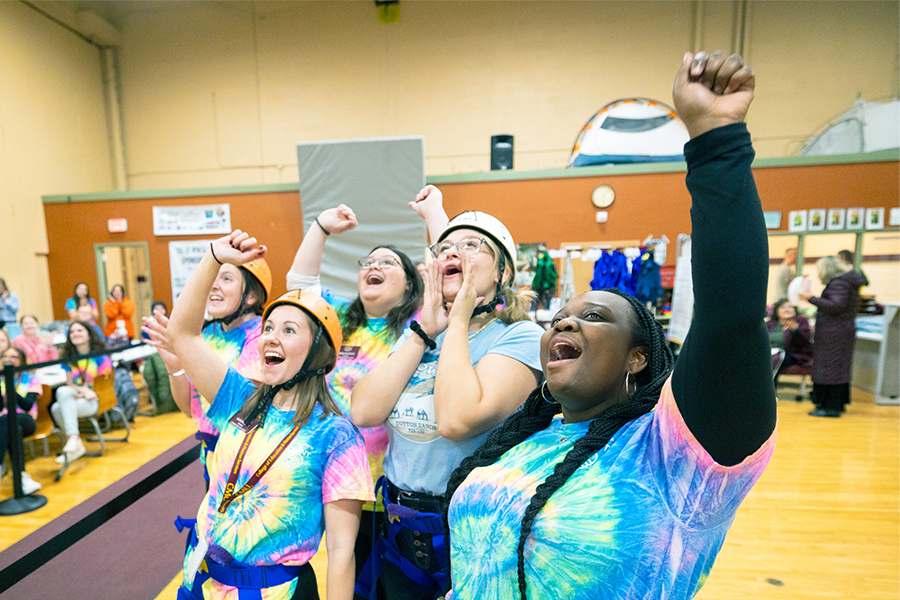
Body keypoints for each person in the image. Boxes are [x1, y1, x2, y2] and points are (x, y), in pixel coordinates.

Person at [442, 51, 777, 600]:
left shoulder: (674, 455)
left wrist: (716, 140)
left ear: (637, 357)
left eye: (594, 317)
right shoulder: (528, 434)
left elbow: (732, 317)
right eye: (561, 316)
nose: (566, 320)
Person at [352, 197, 544, 598]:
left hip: (473, 534)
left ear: (503, 271)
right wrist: (424, 330)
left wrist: (455, 322)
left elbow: (456, 421)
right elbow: (365, 410)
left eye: (474, 245)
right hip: (400, 529)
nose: (455, 251)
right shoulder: (423, 333)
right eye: (445, 248)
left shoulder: (521, 337)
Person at [166, 230, 374, 600]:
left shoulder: (336, 436)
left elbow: (342, 553)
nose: (270, 338)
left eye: (289, 330)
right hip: (203, 583)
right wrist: (213, 256)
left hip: (275, 592)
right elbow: (182, 333)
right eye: (268, 328)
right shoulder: (239, 397)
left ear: (319, 353)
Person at [287, 204, 432, 600]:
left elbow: (450, 284)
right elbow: (300, 286)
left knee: (397, 588)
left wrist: (434, 216)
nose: (374, 265)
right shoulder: (338, 326)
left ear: (410, 284)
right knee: (350, 580)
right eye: (368, 261)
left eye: (388, 262)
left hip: (395, 489)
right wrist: (320, 228)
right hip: (338, 481)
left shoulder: (418, 326)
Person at [144, 252, 272, 485]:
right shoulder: (207, 335)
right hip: (214, 461)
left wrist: (184, 345)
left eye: (226, 279)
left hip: (251, 464)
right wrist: (174, 363)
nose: (213, 284)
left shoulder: (262, 335)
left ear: (251, 295)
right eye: (213, 276)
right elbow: (191, 409)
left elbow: (243, 409)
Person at [799, 256, 863, 417]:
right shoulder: (847, 282)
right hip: (841, 331)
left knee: (829, 367)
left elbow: (836, 305)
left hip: (834, 333)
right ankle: (835, 403)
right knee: (839, 367)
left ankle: (830, 406)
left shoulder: (839, 283)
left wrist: (811, 298)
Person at [51, 320, 113, 463]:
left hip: (96, 399)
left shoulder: (100, 357)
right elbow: (70, 384)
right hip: (79, 397)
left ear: (89, 335)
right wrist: (83, 391)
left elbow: (105, 385)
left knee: (58, 407)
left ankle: (74, 443)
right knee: (57, 403)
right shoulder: (68, 358)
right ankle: (74, 440)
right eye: (72, 332)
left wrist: (86, 393)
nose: (75, 334)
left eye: (79, 331)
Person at [0, 347, 42, 495]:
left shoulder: (31, 378)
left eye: (13, 356)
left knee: (8, 419)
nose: (8, 359)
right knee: (13, 429)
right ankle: (22, 477)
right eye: (5, 356)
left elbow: (28, 405)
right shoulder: (0, 379)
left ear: (22, 361)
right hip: (6, 424)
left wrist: (10, 387)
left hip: (27, 419)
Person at [141, 302, 179, 414]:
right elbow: (143, 338)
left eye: (161, 308)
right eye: (155, 309)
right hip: (154, 353)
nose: (158, 311)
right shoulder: (149, 325)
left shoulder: (171, 323)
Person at [767, 298, 813, 382]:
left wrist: (795, 331)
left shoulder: (801, 322)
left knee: (772, 360)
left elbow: (804, 343)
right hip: (770, 353)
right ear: (776, 311)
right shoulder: (770, 324)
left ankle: (769, 389)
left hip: (793, 355)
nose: (787, 309)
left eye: (790, 307)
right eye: (783, 307)